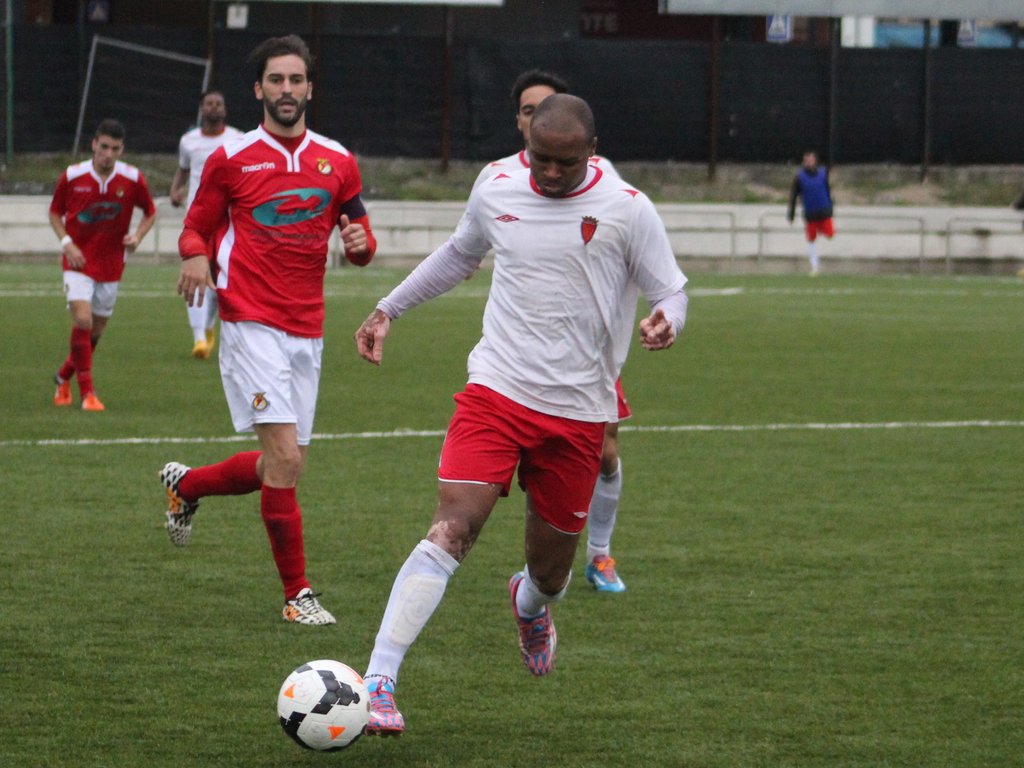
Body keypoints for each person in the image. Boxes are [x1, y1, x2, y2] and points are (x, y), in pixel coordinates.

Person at [353, 94, 688, 735]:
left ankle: (529, 604)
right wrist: (387, 308)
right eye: (541, 158)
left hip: (579, 414)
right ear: (526, 142)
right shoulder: (496, 184)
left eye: (566, 162)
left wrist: (667, 320)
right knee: (452, 527)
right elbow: (460, 254)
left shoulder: (628, 207)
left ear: (592, 152)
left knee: (551, 576)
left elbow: (670, 289)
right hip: (497, 391)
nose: (551, 173)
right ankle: (379, 681)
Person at [161, 34, 377, 625]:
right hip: (249, 320)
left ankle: (188, 486)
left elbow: (362, 243)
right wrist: (194, 256)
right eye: (276, 80)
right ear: (259, 89)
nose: (287, 89)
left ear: (310, 88)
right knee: (283, 457)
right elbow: (195, 226)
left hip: (307, 328)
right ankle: (296, 596)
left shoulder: (338, 161)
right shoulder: (231, 159)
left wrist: (360, 244)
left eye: (296, 80)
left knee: (284, 465)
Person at [475, 68, 629, 593]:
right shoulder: (497, 180)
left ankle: (600, 555)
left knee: (606, 451)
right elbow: (467, 243)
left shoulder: (603, 181)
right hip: (517, 356)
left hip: (586, 355)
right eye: (528, 111)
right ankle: (534, 570)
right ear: (522, 122)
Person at [49, 118, 157, 412]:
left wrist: (137, 236)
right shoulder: (73, 176)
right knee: (83, 321)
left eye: (115, 148)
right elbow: (55, 213)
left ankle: (63, 377)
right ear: (94, 144)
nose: (108, 154)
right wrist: (67, 244)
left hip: (111, 264)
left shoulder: (132, 179)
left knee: (93, 334)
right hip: (78, 261)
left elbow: (150, 212)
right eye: (104, 146)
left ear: (122, 150)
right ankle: (88, 393)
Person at [169, 89, 244, 359]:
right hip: (197, 219)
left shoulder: (238, 139)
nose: (214, 107)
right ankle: (199, 337)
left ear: (225, 109)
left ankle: (208, 325)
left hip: (228, 220)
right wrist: (175, 190)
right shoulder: (188, 141)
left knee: (219, 276)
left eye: (218, 103)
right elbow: (184, 169)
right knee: (195, 272)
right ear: (201, 109)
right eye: (209, 104)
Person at [787, 149, 834, 276]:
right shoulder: (800, 177)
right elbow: (793, 196)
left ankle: (821, 230)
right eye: (806, 160)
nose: (809, 162)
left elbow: (827, 190)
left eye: (811, 160)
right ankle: (815, 266)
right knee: (811, 240)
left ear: (815, 161)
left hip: (824, 211)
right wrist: (791, 214)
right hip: (810, 214)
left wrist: (831, 207)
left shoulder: (823, 173)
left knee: (830, 234)